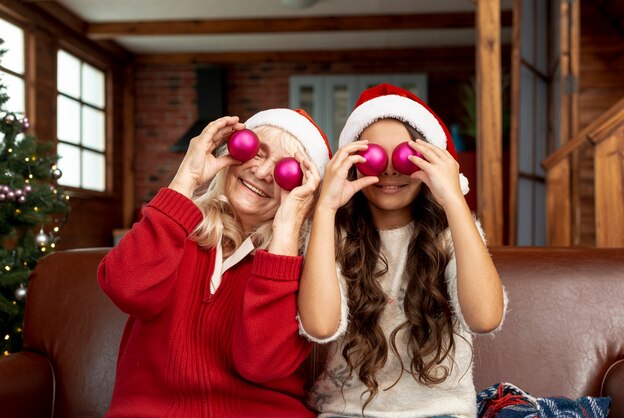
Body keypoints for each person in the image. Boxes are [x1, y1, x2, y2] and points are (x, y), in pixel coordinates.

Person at [98, 109, 332, 417]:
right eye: (256, 153)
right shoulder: (174, 231)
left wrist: (287, 229)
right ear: (233, 152)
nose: (262, 174)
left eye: (285, 171)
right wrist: (186, 180)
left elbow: (261, 364)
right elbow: (125, 288)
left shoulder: (308, 268)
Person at [297, 84, 506, 417]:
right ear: (353, 163)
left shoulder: (450, 233)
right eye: (374, 156)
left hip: (440, 412)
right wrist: (325, 208)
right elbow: (320, 327)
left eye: (405, 157)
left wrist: (453, 199)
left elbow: (485, 318)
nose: (390, 169)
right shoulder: (332, 235)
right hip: (346, 413)